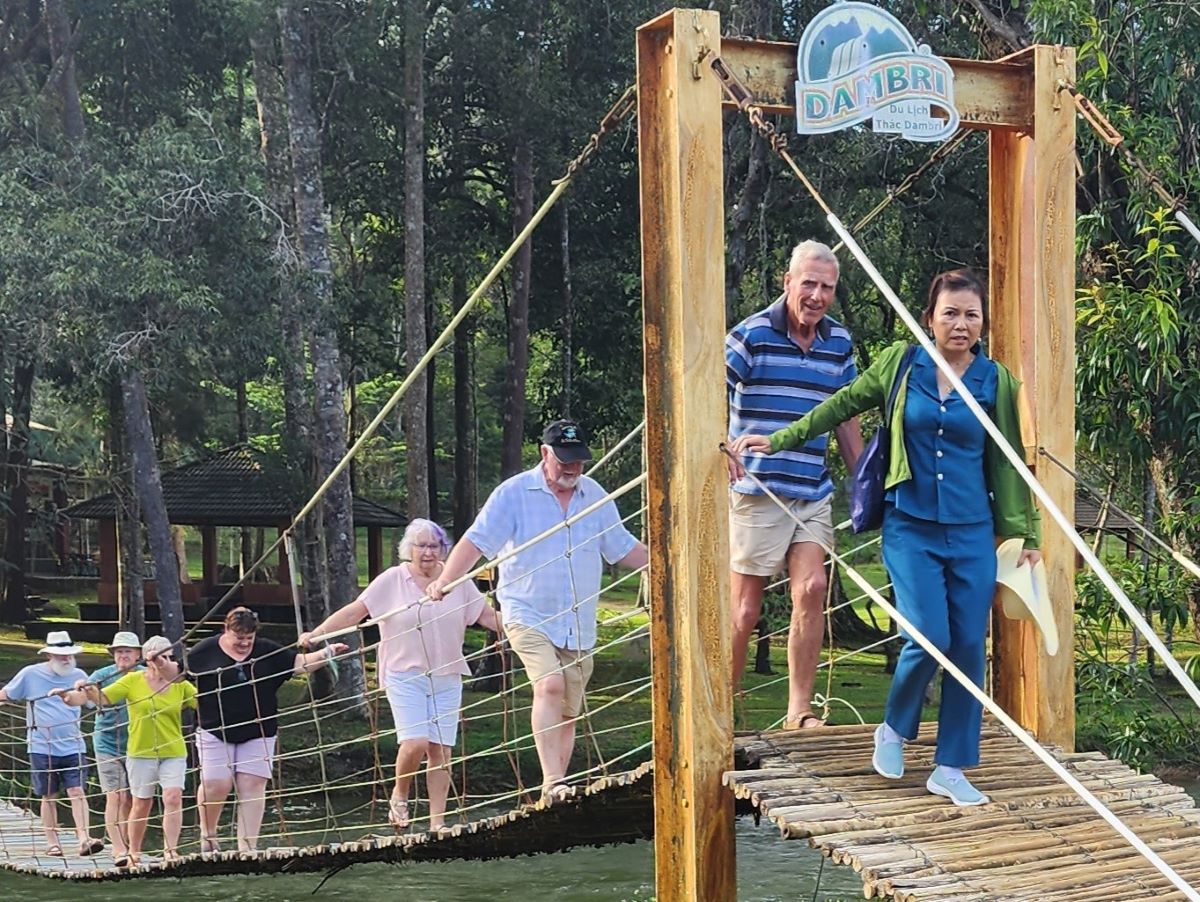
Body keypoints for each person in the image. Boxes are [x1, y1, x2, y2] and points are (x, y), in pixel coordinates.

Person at [731, 268, 1041, 806]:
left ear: (983, 323)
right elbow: (838, 405)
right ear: (930, 319)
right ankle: (894, 728)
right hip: (910, 526)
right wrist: (778, 439)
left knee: (969, 646)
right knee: (928, 636)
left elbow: (1011, 466)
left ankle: (951, 766)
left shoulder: (998, 383)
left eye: (971, 314)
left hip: (973, 532)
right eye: (950, 313)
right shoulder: (902, 363)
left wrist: (1025, 535)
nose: (961, 324)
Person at [427, 419, 649, 804]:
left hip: (577, 621)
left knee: (569, 709)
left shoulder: (595, 495)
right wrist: (444, 581)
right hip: (525, 612)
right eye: (564, 460)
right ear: (545, 454)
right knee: (549, 685)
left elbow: (623, 548)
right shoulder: (513, 494)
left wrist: (670, 564)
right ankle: (550, 781)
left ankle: (558, 786)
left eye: (578, 460)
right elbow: (476, 541)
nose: (572, 468)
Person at [726, 240, 864, 729]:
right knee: (745, 611)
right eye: (808, 283)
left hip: (811, 489)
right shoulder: (751, 335)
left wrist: (864, 481)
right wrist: (720, 447)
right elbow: (706, 393)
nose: (817, 295)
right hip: (757, 492)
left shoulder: (839, 343)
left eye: (827, 287)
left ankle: (798, 711)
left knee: (813, 587)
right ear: (788, 282)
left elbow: (846, 417)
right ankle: (723, 709)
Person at [303, 518, 502, 833]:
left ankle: (438, 823)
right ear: (408, 549)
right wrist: (317, 634)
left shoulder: (456, 581)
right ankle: (399, 794)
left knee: (441, 750)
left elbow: (487, 616)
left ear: (443, 549)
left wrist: (527, 629)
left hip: (447, 674)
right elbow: (356, 612)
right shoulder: (392, 579)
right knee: (416, 742)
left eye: (433, 545)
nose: (426, 552)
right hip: (403, 672)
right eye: (420, 545)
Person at [187, 607, 345, 853]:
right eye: (239, 638)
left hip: (259, 729)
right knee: (216, 783)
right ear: (226, 630)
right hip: (214, 728)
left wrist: (326, 653)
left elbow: (299, 665)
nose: (244, 644)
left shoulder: (266, 650)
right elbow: (175, 673)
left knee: (253, 783)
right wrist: (158, 661)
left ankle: (247, 847)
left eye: (249, 639)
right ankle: (208, 837)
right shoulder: (205, 650)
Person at [56, 635, 195, 866]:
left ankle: (171, 850)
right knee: (131, 800)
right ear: (149, 660)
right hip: (129, 748)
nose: (164, 663)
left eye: (169, 658)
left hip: (172, 750)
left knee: (173, 797)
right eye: (159, 658)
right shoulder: (128, 678)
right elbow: (102, 698)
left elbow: (205, 700)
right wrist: (76, 694)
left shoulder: (179, 682)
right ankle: (129, 851)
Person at [0, 630, 103, 858]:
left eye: (68, 655)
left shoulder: (79, 675)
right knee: (49, 795)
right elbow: (7, 694)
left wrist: (89, 689)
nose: (66, 659)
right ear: (49, 655)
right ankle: (52, 841)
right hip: (40, 745)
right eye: (60, 655)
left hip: (73, 744)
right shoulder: (30, 674)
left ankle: (84, 838)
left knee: (77, 791)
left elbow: (93, 702)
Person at [86, 631, 143, 863]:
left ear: (138, 654)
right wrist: (81, 690)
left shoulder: (146, 675)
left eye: (127, 651)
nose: (123, 655)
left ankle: (129, 843)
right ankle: (118, 848)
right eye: (119, 651)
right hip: (107, 742)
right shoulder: (102, 676)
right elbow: (87, 696)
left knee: (132, 798)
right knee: (115, 796)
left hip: (137, 743)